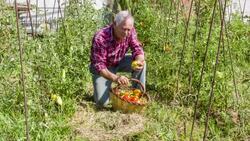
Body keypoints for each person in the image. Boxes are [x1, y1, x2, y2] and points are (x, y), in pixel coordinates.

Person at [89, 10, 146, 107]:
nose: (127, 33)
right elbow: (100, 65)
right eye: (124, 29)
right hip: (104, 68)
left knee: (142, 64)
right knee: (102, 103)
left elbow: (137, 48)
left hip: (119, 60)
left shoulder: (130, 31)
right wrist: (116, 78)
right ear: (114, 24)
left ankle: (137, 95)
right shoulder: (101, 37)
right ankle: (103, 87)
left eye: (129, 30)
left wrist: (139, 60)